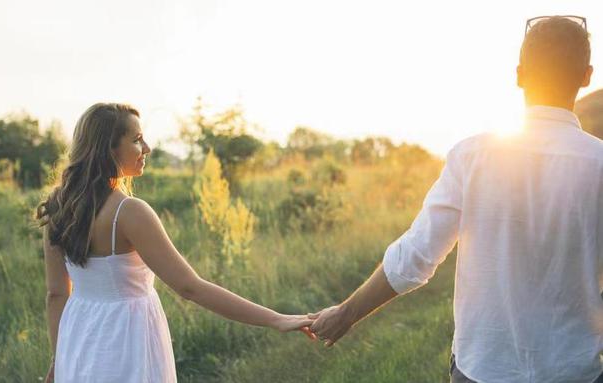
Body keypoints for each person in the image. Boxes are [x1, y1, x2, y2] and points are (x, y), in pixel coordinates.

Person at [309, 15, 602, 383]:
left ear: (519, 74)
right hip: (572, 371)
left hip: (482, 370)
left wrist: (347, 313)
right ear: (587, 75)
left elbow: (415, 256)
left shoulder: (472, 156)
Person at [37, 103, 314, 383]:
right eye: (136, 140)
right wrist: (276, 319)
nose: (147, 148)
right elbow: (190, 287)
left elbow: (56, 294)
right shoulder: (130, 212)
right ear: (107, 149)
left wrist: (59, 359)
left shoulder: (58, 207)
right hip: (125, 344)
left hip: (77, 344)